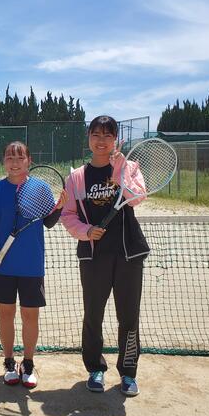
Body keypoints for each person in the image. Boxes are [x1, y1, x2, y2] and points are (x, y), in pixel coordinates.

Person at [60, 115, 148, 397]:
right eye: (96, 134)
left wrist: (120, 171)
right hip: (94, 256)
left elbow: (136, 198)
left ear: (115, 140)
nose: (101, 140)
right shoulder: (76, 177)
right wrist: (86, 231)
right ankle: (95, 369)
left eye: (107, 135)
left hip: (129, 253)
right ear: (88, 138)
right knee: (93, 315)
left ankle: (128, 372)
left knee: (129, 316)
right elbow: (68, 215)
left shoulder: (130, 167)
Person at [0, 141, 65, 389]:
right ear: (3, 161)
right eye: (10, 157)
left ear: (29, 161)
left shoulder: (40, 188)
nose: (15, 162)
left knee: (30, 315)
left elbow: (48, 222)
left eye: (20, 158)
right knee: (5, 314)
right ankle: (9, 362)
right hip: (3, 264)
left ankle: (28, 363)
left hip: (31, 264)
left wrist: (59, 207)